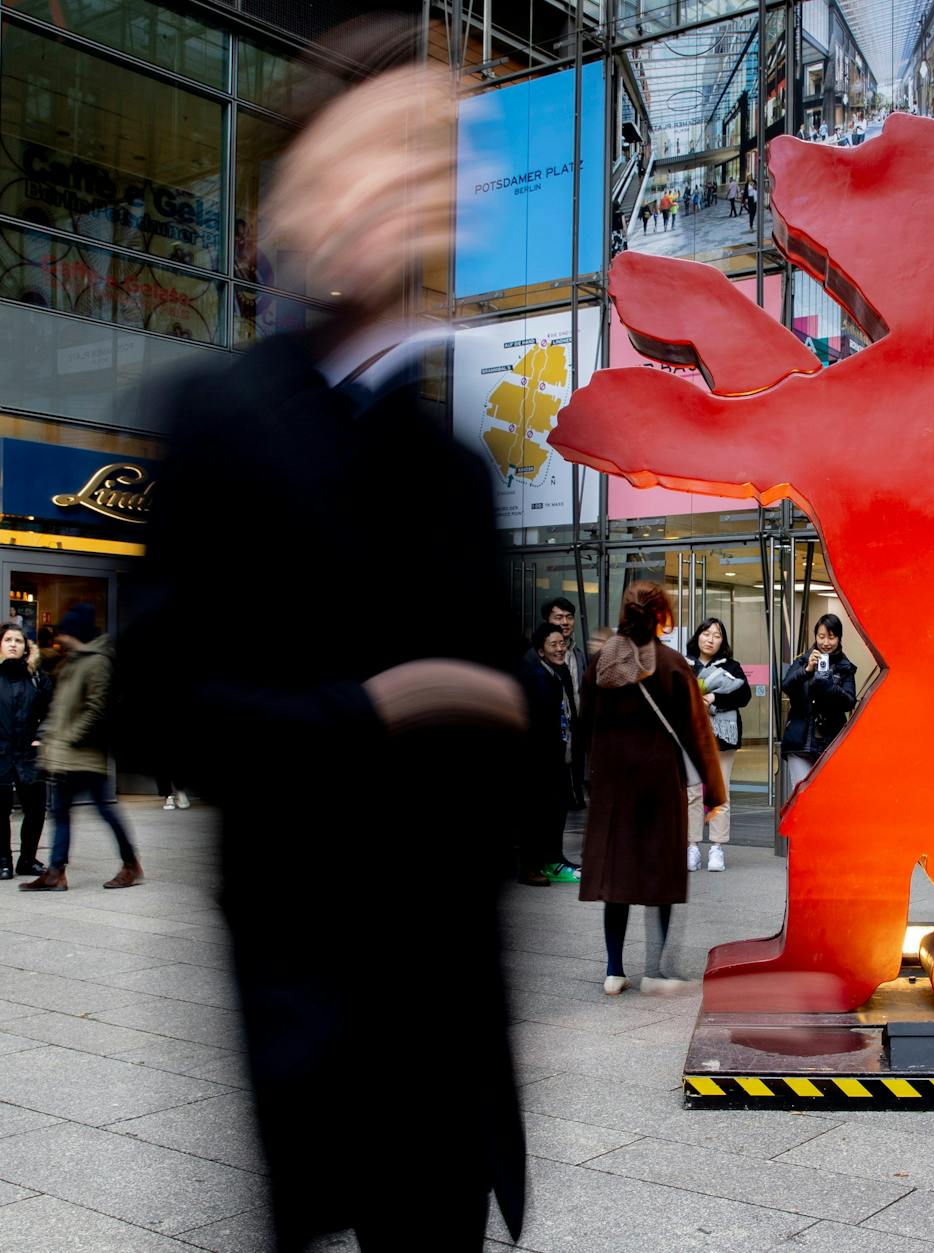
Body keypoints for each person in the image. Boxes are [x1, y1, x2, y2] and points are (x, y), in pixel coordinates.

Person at [114, 51, 528, 1250]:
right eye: (374, 159)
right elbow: (159, 708)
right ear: (292, 206)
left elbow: (501, 741)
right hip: (310, 1025)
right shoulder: (218, 417)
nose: (405, 195)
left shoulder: (452, 468)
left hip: (448, 1047)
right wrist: (377, 709)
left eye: (433, 168)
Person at [578, 582, 724, 995]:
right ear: (662, 613)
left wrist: (584, 777)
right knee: (660, 873)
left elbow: (584, 722)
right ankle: (657, 971)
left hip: (613, 788)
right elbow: (697, 734)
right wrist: (713, 791)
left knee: (617, 874)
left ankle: (613, 969)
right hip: (660, 782)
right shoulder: (674, 663)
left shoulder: (601, 663)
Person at [21, 606, 142, 892]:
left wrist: (71, 736)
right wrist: (51, 738)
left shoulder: (98, 661)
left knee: (105, 811)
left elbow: (97, 709)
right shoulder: (72, 661)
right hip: (64, 754)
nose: (60, 638)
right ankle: (55, 873)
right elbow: (61, 708)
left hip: (86, 755)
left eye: (65, 633)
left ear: (77, 633)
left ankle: (130, 864)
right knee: (60, 812)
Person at [685, 617, 749, 872]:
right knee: (692, 793)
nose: (710, 639)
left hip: (722, 738)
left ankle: (716, 848)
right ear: (698, 636)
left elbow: (743, 695)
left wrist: (713, 697)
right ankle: (692, 846)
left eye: (717, 635)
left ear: (723, 641)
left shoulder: (731, 666)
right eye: (706, 633)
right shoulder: (684, 664)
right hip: (691, 736)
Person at [516, 623, 576, 887]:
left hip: (559, 754)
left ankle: (553, 859)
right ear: (541, 651)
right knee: (536, 812)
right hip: (538, 757)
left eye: (562, 643)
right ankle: (530, 867)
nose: (560, 649)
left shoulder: (558, 672)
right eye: (554, 645)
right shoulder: (531, 674)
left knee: (557, 808)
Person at [777, 614, 858, 803]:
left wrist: (829, 685)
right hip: (800, 740)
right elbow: (786, 685)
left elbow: (849, 701)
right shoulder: (803, 660)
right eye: (821, 636)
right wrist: (807, 671)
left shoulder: (845, 667)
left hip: (830, 740)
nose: (826, 642)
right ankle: (800, 834)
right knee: (802, 796)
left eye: (831, 637)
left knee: (829, 797)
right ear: (815, 636)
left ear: (839, 638)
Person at [0, 623, 52, 881]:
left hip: (28, 754)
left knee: (35, 808)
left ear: (25, 648)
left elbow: (54, 711)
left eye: (18, 640)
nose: (13, 644)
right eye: (8, 639)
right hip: (0, 753)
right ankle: (3, 861)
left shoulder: (37, 677)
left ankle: (28, 859)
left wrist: (41, 737)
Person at [542, 596, 588, 814]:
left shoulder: (578, 654)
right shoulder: (538, 655)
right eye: (558, 617)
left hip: (575, 723)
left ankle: (573, 796)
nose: (565, 622)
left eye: (569, 617)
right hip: (551, 726)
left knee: (574, 764)